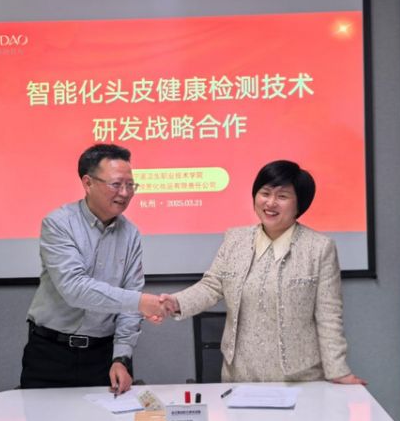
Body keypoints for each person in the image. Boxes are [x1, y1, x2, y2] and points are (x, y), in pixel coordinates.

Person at [160, 160, 366, 385]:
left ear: (300, 204)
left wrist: (338, 371)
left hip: (299, 378)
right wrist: (175, 302)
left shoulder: (319, 248)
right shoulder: (235, 240)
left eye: (282, 196)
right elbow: (211, 286)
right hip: (239, 375)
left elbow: (329, 315)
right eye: (265, 193)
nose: (270, 203)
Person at [20, 144, 165, 393]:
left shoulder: (130, 234)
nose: (125, 193)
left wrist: (121, 358)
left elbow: (130, 303)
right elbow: (75, 289)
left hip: (103, 356)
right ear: (88, 183)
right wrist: (140, 302)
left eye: (130, 185)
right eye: (116, 184)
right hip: (51, 352)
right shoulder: (59, 224)